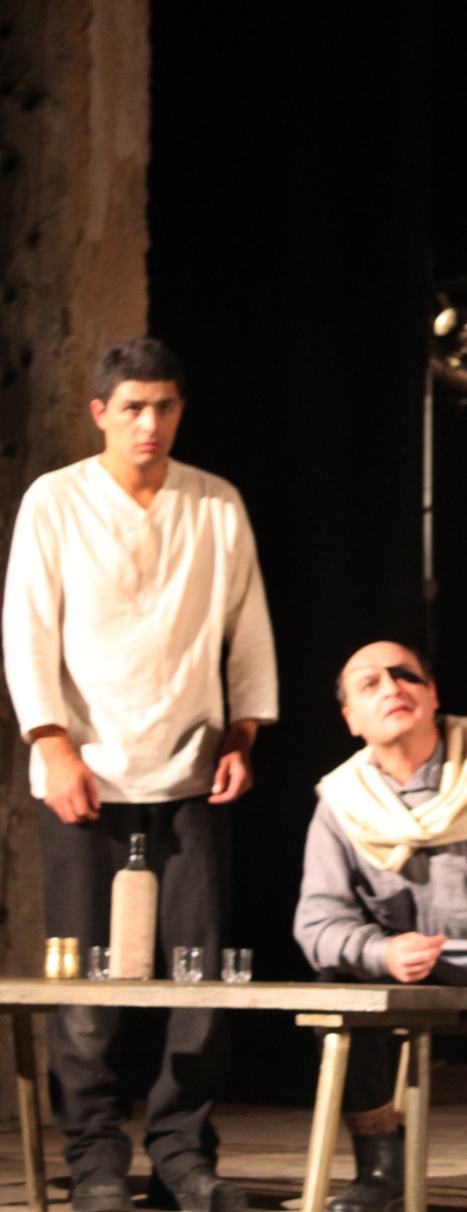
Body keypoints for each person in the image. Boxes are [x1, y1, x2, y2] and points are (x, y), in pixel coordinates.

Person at [2, 338, 279, 1212]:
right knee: (86, 982)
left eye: (163, 406)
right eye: (132, 407)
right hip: (85, 769)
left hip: (190, 766)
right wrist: (52, 744)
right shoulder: (57, 500)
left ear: (180, 410)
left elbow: (248, 628)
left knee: (200, 976)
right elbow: (26, 629)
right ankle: (93, 1156)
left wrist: (242, 736)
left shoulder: (215, 501)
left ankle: (182, 1152)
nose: (149, 422)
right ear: (101, 413)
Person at [294, 640, 467, 1212]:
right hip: (410, 963)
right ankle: (380, 1166)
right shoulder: (344, 802)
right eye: (370, 684)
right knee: (338, 987)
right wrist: (381, 952)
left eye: (405, 676)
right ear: (351, 720)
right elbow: (318, 921)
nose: (392, 688)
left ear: (433, 694)